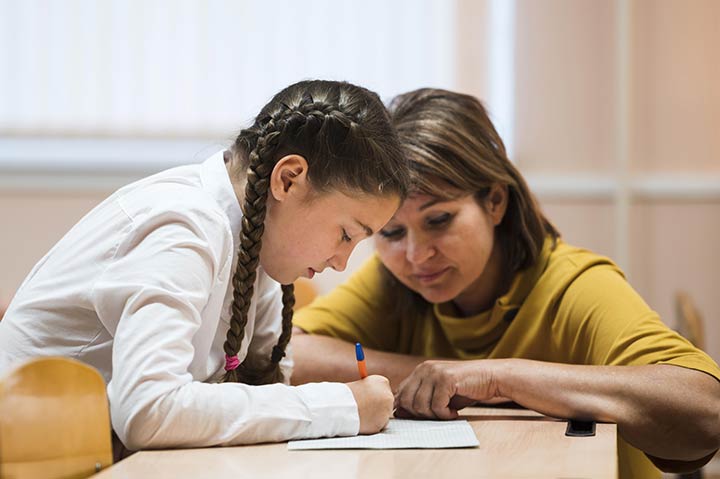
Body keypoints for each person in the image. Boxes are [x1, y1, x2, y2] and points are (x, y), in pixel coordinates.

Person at [291, 88, 720, 478]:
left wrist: (500, 379)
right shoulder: (395, 279)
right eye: (390, 232)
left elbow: (707, 410)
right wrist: (443, 379)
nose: (416, 254)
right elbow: (290, 353)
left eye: (439, 221)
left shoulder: (574, 284)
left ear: (495, 202)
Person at [0, 80, 408, 453]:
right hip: (33, 460)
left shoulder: (260, 242)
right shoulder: (182, 228)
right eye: (346, 235)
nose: (342, 263)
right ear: (288, 180)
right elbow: (148, 411)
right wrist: (340, 405)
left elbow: (261, 386)